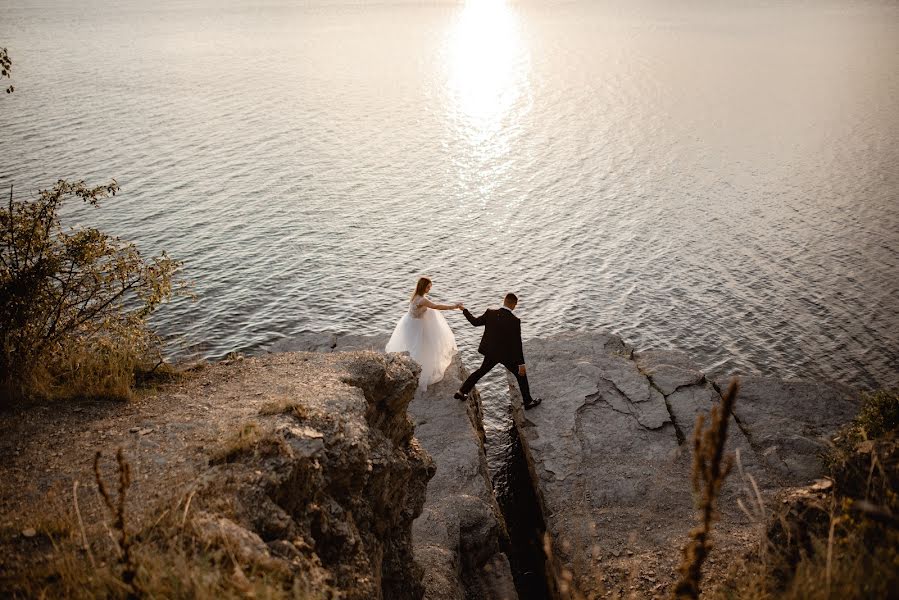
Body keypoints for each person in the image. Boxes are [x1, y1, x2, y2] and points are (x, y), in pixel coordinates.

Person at [454, 293, 542, 410]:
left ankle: (461, 391)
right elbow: (517, 344)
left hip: (491, 353)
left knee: (480, 372)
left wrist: (464, 310)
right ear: (514, 305)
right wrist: (521, 364)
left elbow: (474, 322)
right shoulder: (515, 321)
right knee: (521, 375)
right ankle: (528, 402)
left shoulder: (490, 313)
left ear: (504, 301)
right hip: (507, 356)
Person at [386, 277, 462, 391]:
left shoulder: (415, 296)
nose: (429, 289)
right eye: (428, 287)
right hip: (416, 326)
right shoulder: (421, 300)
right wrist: (454, 307)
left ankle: (409, 366)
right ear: (423, 287)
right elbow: (436, 306)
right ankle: (419, 371)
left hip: (409, 323)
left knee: (412, 346)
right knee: (420, 348)